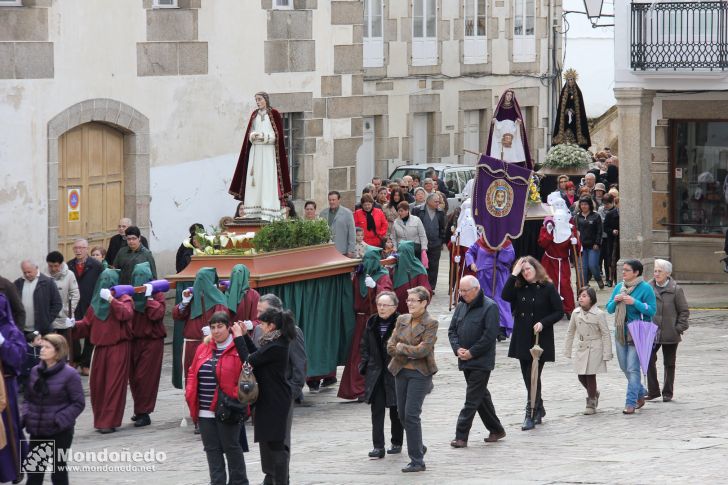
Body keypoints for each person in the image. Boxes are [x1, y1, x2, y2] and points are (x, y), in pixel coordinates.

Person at [232, 308, 296, 485]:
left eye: (262, 324)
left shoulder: (277, 345)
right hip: (270, 399)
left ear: (271, 326)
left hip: (274, 401)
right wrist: (245, 336)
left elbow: (248, 360)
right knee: (273, 444)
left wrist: (238, 337)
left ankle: (281, 481)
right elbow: (257, 356)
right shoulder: (274, 342)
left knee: (276, 446)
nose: (259, 327)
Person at [185, 312, 249, 485]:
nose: (216, 331)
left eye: (220, 326)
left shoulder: (238, 348)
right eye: (212, 327)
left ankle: (239, 482)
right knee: (212, 451)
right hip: (205, 411)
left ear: (229, 327)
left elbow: (247, 377)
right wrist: (189, 391)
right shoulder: (203, 348)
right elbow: (192, 372)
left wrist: (235, 397)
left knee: (232, 448)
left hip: (228, 408)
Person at [69, 269, 134, 433]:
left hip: (118, 348)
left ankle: (109, 421)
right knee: (98, 386)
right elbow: (86, 325)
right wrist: (73, 324)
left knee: (114, 385)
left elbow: (126, 314)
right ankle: (100, 420)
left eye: (109, 280)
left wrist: (112, 300)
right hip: (99, 350)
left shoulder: (124, 298)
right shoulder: (96, 303)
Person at [502, 256, 563, 431]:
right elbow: (505, 296)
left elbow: (558, 311)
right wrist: (514, 274)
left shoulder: (548, 287)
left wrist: (543, 322)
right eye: (523, 270)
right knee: (527, 376)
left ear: (536, 268)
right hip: (522, 336)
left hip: (539, 338)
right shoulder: (519, 287)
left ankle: (530, 412)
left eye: (528, 269)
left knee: (533, 374)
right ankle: (539, 408)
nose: (526, 273)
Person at [448, 275, 506, 448]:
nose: (462, 294)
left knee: (472, 399)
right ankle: (496, 429)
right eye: (461, 290)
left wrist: (472, 353)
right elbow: (452, 331)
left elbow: (489, 336)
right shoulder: (460, 306)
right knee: (481, 396)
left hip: (481, 361)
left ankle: (461, 436)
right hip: (464, 359)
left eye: (465, 291)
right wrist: (457, 349)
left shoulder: (490, 307)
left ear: (476, 289)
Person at [22, 334, 85, 485]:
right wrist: (26, 416)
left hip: (60, 431)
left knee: (59, 472)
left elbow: (78, 403)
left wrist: (58, 419)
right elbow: (28, 399)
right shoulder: (35, 371)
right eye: (41, 346)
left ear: (58, 351)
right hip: (37, 430)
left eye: (47, 347)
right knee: (34, 473)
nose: (42, 350)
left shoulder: (70, 374)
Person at [387, 286, 437, 473]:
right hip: (400, 371)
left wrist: (402, 347)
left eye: (413, 300)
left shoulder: (431, 323)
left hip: (420, 373)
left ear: (424, 302)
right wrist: (407, 349)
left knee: (412, 415)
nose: (409, 303)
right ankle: (418, 445)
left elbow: (424, 350)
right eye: (408, 300)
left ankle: (417, 460)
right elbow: (391, 346)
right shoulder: (402, 319)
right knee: (402, 414)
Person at [339, 247, 393, 401]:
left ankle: (370, 387)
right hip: (360, 320)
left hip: (375, 320)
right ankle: (356, 389)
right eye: (365, 260)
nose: (367, 263)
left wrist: (376, 287)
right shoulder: (359, 276)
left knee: (374, 354)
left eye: (370, 260)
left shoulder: (383, 276)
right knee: (358, 355)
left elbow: (388, 295)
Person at [229, 91, 292, 221]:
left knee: (267, 178)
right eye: (256, 100)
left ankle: (268, 211)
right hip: (256, 152)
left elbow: (278, 136)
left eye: (260, 99)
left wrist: (264, 137)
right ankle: (252, 211)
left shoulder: (273, 114)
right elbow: (250, 133)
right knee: (255, 179)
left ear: (266, 100)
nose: (258, 102)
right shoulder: (254, 115)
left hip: (268, 152)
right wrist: (253, 136)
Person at [605, 259, 657, 414]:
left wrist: (634, 302)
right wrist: (615, 301)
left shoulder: (646, 288)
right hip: (621, 331)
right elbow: (609, 309)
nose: (623, 272)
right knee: (623, 366)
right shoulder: (619, 288)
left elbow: (652, 310)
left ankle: (631, 402)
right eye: (623, 270)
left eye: (627, 270)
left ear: (636, 272)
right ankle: (640, 391)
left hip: (638, 331)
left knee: (633, 368)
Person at [359, 291, 403, 458]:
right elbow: (364, 346)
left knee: (396, 409)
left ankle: (397, 442)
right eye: (379, 305)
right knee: (376, 411)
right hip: (376, 373)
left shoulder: (402, 323)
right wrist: (364, 366)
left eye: (385, 305)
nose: (382, 308)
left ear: (394, 306)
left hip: (394, 372)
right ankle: (378, 446)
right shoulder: (371, 323)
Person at [173, 267, 230, 390]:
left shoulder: (219, 300)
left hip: (209, 344)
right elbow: (178, 315)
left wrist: (213, 331)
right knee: (191, 382)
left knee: (208, 381)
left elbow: (223, 321)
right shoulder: (193, 297)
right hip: (191, 346)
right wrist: (184, 302)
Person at [128, 262, 166, 428]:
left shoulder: (157, 295)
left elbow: (157, 314)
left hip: (152, 341)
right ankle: (138, 409)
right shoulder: (130, 295)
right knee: (134, 377)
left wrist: (148, 298)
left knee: (145, 378)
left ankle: (145, 412)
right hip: (134, 340)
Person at [563, 287, 612, 415]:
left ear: (592, 298)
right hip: (582, 346)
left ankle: (591, 402)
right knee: (581, 375)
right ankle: (594, 392)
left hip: (595, 346)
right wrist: (567, 350)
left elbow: (605, 333)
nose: (581, 298)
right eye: (580, 295)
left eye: (584, 296)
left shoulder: (599, 314)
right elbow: (570, 332)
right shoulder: (575, 313)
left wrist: (607, 353)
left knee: (590, 375)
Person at [646, 259, 689, 403]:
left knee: (669, 363)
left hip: (670, 332)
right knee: (647, 358)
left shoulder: (676, 290)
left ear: (667, 273)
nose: (656, 274)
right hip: (652, 332)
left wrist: (678, 328)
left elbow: (684, 311)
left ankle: (667, 392)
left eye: (660, 271)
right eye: (655, 271)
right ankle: (653, 390)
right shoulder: (648, 287)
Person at [0, 292, 27, 484]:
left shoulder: (10, 330)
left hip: (5, 383)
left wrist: (3, 343)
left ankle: (14, 468)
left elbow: (18, 357)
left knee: (9, 426)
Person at [466, 236, 515, 340]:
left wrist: (500, 249)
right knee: (484, 300)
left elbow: (510, 257)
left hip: (499, 276)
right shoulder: (481, 241)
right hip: (483, 276)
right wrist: (471, 263)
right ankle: (485, 325)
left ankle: (501, 327)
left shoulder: (505, 242)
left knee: (500, 300)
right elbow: (469, 252)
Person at [68, 239, 103, 374]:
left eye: (81, 248)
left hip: (91, 303)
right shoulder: (69, 265)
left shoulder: (96, 266)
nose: (78, 250)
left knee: (90, 333)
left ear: (87, 249)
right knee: (73, 331)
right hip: (74, 304)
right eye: (76, 248)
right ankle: (75, 359)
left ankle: (86, 363)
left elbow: (101, 283)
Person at [538, 212, 580, 317]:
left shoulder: (571, 229)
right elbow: (542, 243)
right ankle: (548, 307)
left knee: (565, 284)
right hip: (549, 261)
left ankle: (569, 308)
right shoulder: (547, 226)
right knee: (548, 283)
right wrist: (548, 231)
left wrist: (576, 243)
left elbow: (576, 250)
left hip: (563, 261)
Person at [486, 89, 533, 169]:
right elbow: (496, 118)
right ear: (504, 96)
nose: (509, 97)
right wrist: (494, 121)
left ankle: (514, 159)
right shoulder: (500, 107)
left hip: (512, 131)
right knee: (500, 148)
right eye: (508, 95)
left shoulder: (514, 107)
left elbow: (517, 117)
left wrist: (518, 120)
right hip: (501, 130)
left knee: (513, 147)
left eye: (511, 95)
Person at [15, 260, 62, 336]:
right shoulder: (18, 283)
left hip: (43, 331)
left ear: (36, 268)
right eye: (24, 272)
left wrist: (46, 321)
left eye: (29, 272)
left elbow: (57, 304)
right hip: (22, 330)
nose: (27, 275)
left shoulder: (48, 282)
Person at [412, 193, 446, 291]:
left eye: (438, 201)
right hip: (420, 243)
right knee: (420, 265)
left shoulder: (440, 212)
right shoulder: (418, 210)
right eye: (435, 201)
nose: (438, 203)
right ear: (428, 201)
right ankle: (420, 285)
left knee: (434, 266)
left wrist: (440, 241)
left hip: (435, 243)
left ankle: (431, 287)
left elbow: (442, 228)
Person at [552, 68, 591, 149]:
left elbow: (580, 108)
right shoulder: (563, 92)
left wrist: (573, 110)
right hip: (565, 121)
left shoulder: (578, 92)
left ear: (574, 80)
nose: (570, 81)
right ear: (566, 80)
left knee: (576, 136)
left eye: (571, 79)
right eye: (568, 79)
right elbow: (561, 108)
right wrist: (566, 110)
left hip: (576, 121)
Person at [390, 241, 431, 315]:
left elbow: (427, 292)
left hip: (413, 312)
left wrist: (415, 292)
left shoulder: (419, 270)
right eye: (399, 252)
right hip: (396, 312)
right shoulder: (395, 268)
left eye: (403, 252)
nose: (400, 255)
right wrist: (387, 269)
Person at [46, 251, 79, 334]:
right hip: (49, 317)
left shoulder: (70, 275)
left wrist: (67, 310)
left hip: (64, 317)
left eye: (56, 266)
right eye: (50, 266)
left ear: (61, 264)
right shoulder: (44, 276)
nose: (53, 269)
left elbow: (75, 294)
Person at [576, 197, 604, 289]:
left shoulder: (596, 216)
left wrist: (597, 243)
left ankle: (598, 278)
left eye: (585, 204)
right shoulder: (577, 217)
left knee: (592, 265)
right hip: (582, 247)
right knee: (583, 268)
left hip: (593, 246)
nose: (583, 206)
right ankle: (584, 285)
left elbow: (599, 231)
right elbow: (575, 231)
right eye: (582, 204)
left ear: (590, 205)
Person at [320, 191, 356, 258]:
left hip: (342, 251)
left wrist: (351, 250)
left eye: (333, 200)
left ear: (339, 200)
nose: (331, 202)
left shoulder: (347, 213)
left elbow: (352, 233)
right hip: (327, 251)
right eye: (330, 200)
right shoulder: (323, 213)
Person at [601, 194, 619, 287]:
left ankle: (617, 279)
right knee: (610, 260)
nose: (606, 206)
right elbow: (605, 228)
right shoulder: (609, 214)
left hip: (620, 241)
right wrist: (612, 231)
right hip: (611, 240)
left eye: (607, 204)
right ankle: (610, 278)